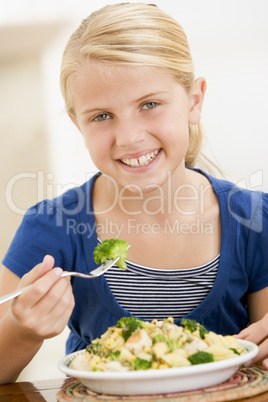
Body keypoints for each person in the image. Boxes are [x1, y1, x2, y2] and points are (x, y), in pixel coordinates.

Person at [0, 2, 267, 385]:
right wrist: (23, 329)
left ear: (194, 101)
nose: (129, 137)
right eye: (102, 116)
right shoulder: (51, 228)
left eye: (150, 105)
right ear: (78, 123)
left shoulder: (254, 221)